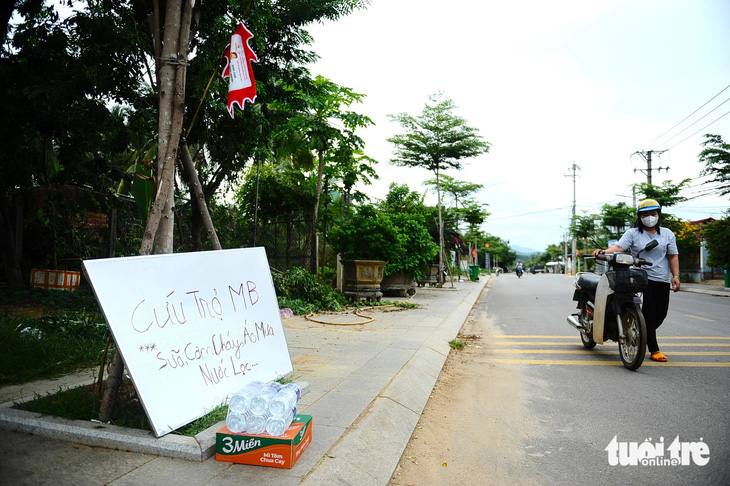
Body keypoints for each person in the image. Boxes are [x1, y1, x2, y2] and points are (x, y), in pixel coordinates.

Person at [592, 199, 680, 362]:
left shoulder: (667, 234)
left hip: (662, 279)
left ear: (658, 215)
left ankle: (642, 333)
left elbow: (673, 255)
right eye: (645, 214)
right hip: (640, 277)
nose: (650, 217)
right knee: (650, 312)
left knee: (661, 314)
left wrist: (675, 276)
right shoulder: (633, 233)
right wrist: (604, 251)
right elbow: (619, 248)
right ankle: (654, 349)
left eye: (653, 214)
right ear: (640, 216)